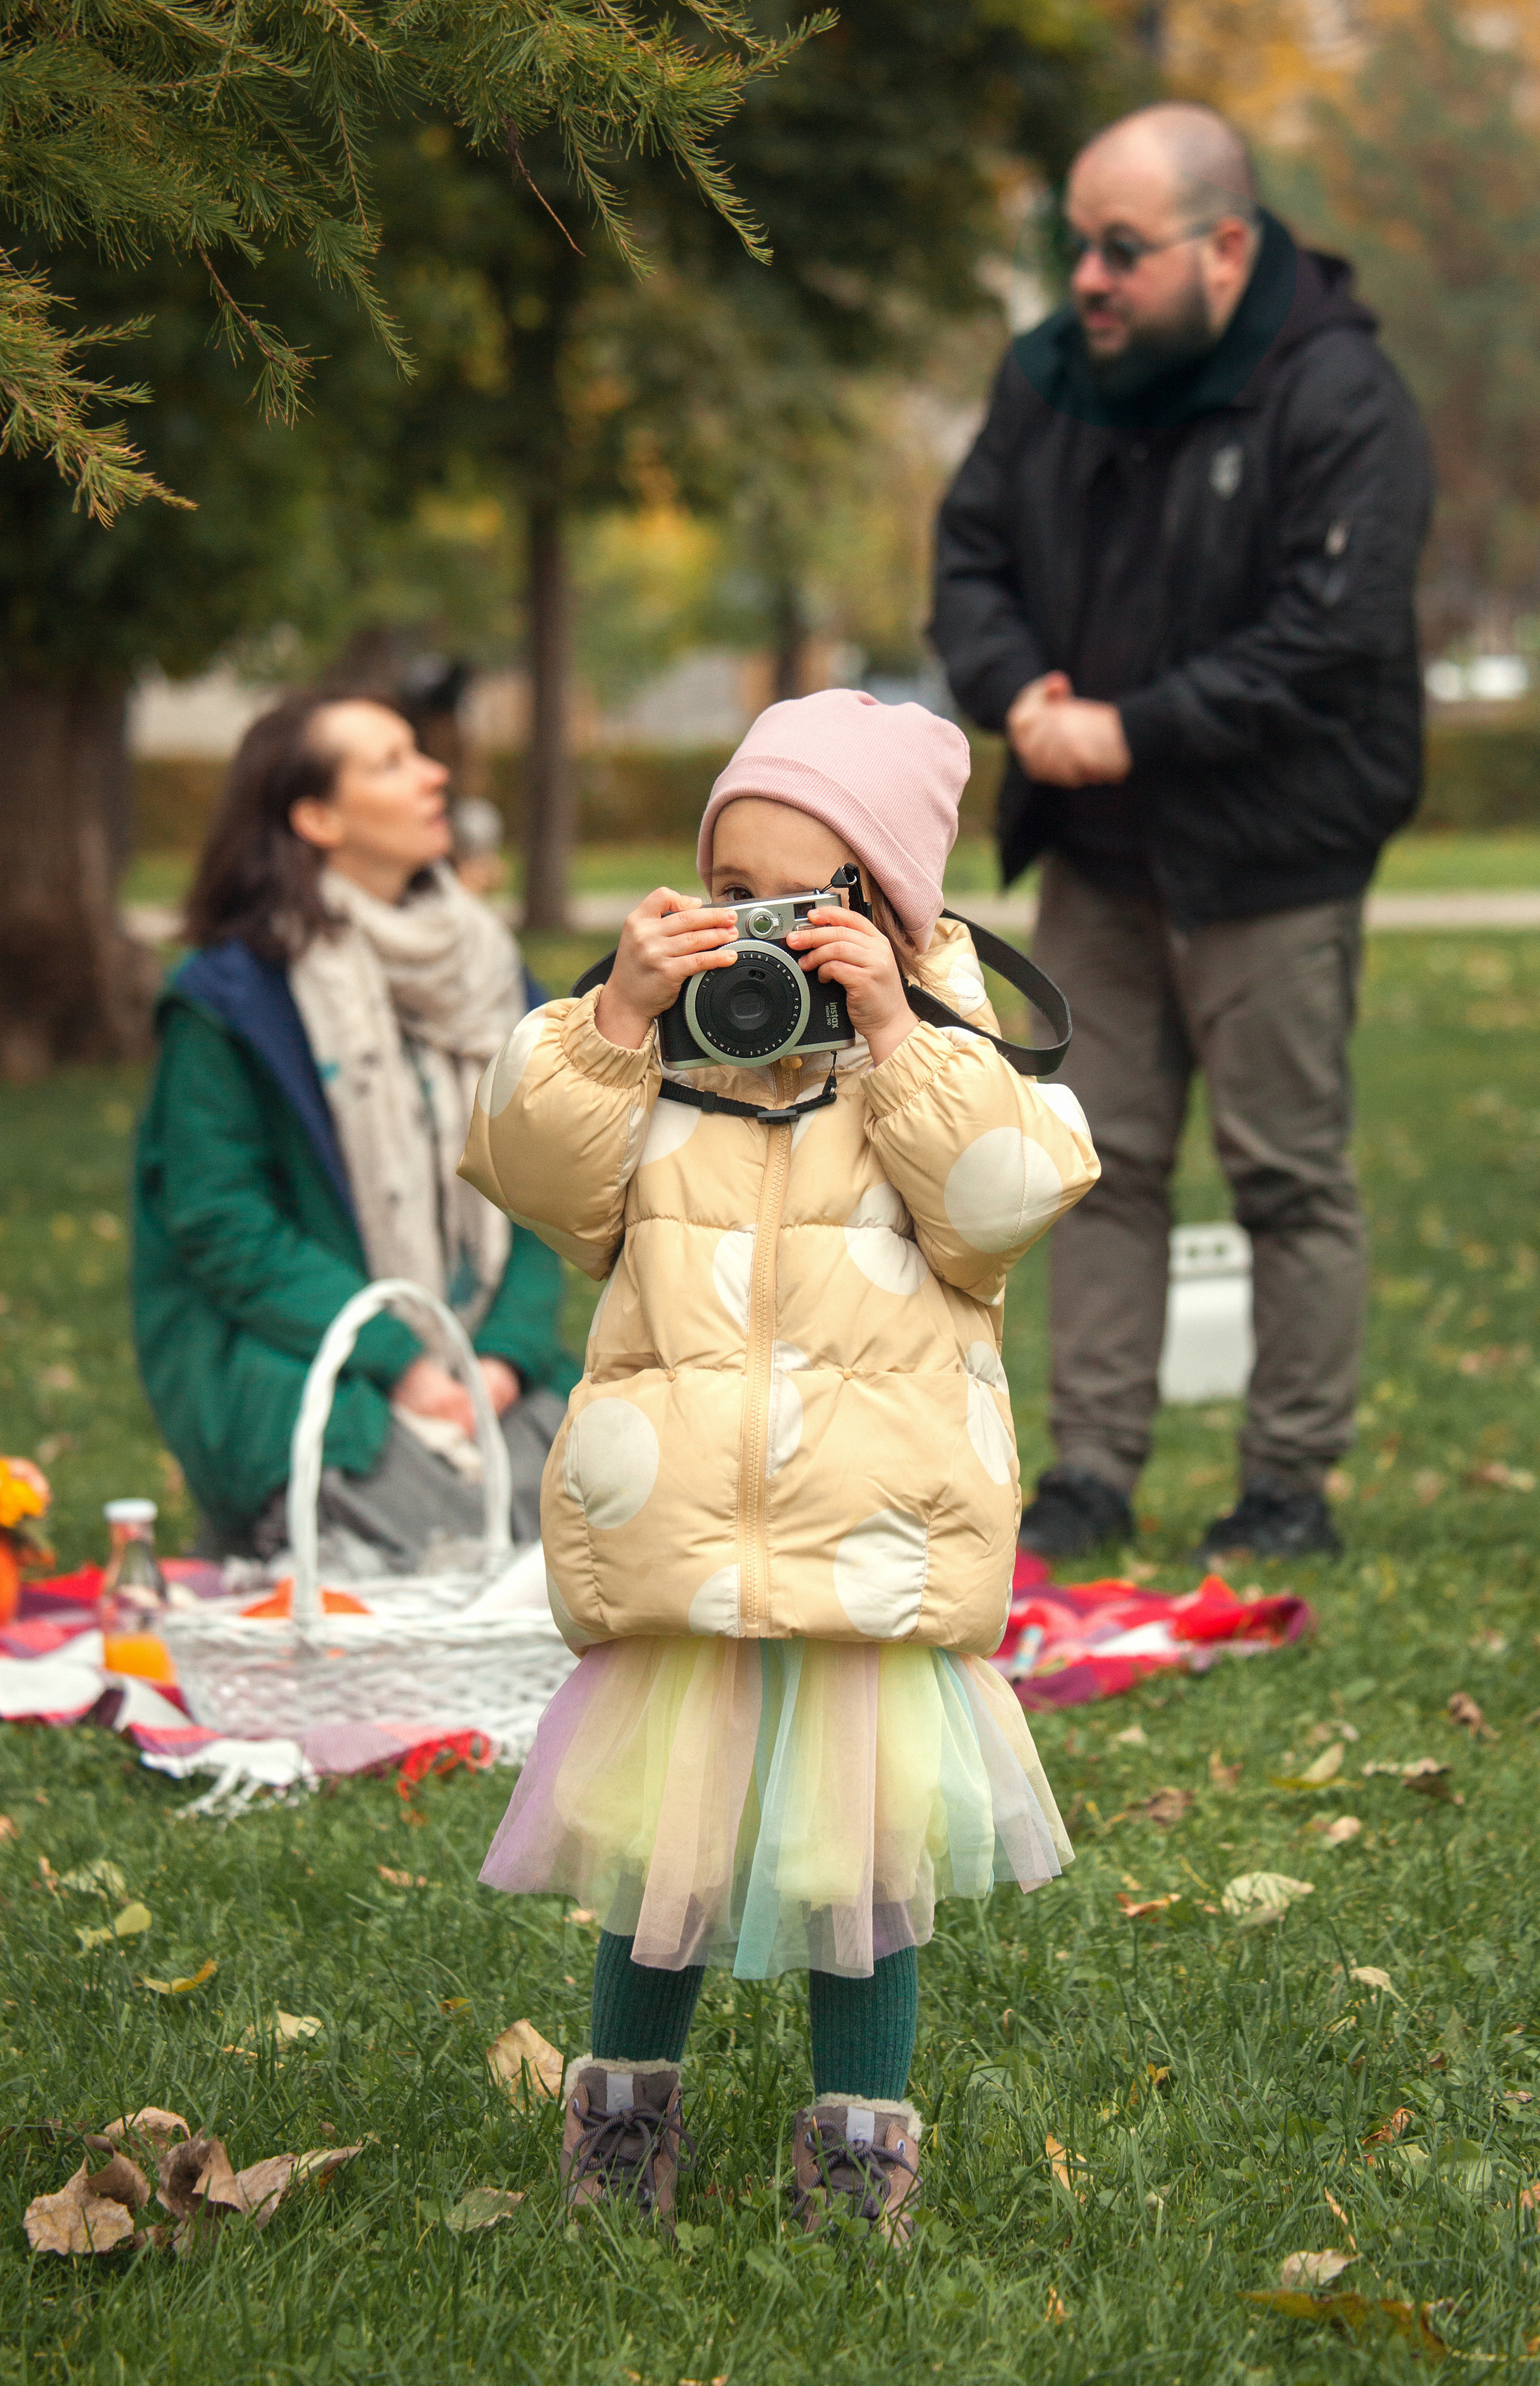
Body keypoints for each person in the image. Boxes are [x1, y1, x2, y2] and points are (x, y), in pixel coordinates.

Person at [458, 690, 1099, 2235]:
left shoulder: (942, 1048)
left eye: (808, 901)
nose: (761, 929)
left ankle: (859, 2145)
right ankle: (618, 2126)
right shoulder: (649, 1050)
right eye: (728, 889)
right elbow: (530, 1173)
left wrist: (893, 1030)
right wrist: (615, 1021)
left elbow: (1005, 1199)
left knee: (862, 1860)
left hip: (868, 1545)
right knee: (654, 1859)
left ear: (889, 907)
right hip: (678, 1536)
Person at [929, 102, 1433, 1566]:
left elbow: (1329, 638)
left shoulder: (1340, 395)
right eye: (1072, 246)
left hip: (1272, 857)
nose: (1085, 278)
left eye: (1119, 250)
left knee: (1284, 1172)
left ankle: (1285, 1482)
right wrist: (1015, 688)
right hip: (1096, 853)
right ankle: (1087, 1470)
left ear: (1224, 247)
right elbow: (967, 558)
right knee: (1099, 1166)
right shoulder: (1050, 380)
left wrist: (1133, 727)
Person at [132, 693, 576, 1573]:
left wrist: (505, 1357)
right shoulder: (230, 1001)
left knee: (599, 1513)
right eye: (392, 762)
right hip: (305, 1350)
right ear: (317, 817)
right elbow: (221, 1221)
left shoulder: (487, 972)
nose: (434, 774)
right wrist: (402, 1360)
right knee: (445, 1544)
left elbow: (544, 1171)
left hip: (479, 1348)